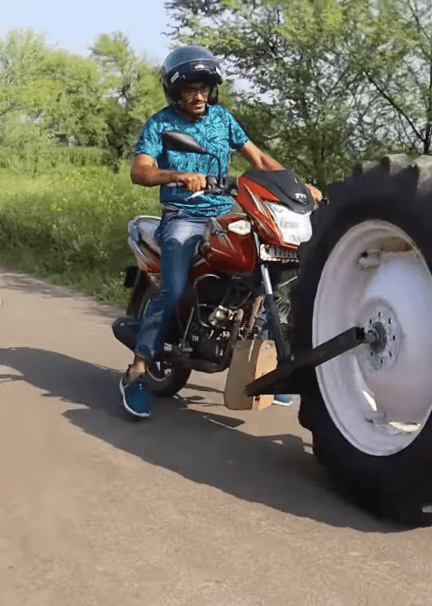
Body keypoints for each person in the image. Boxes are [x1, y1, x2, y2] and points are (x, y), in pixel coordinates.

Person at [120, 45, 321, 418]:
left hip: (225, 214)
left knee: (266, 274)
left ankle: (273, 365)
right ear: (175, 92)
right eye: (188, 88)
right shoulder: (161, 124)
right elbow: (141, 171)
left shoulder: (223, 119)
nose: (197, 95)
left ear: (213, 89)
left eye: (204, 87)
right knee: (174, 288)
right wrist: (178, 175)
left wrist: (298, 186)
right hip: (182, 216)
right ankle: (137, 371)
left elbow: (258, 159)